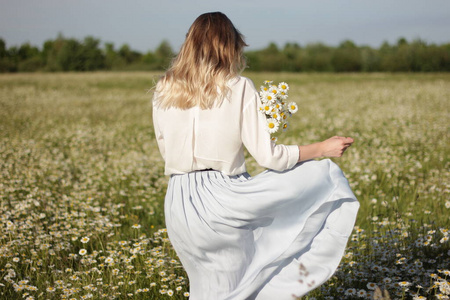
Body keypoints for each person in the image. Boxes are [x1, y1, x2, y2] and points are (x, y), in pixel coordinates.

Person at [152, 12, 359, 300]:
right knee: (239, 288)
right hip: (221, 200)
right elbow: (269, 157)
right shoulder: (238, 87)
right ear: (229, 46)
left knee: (205, 290)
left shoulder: (164, 87)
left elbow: (166, 150)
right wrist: (322, 149)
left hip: (179, 204)